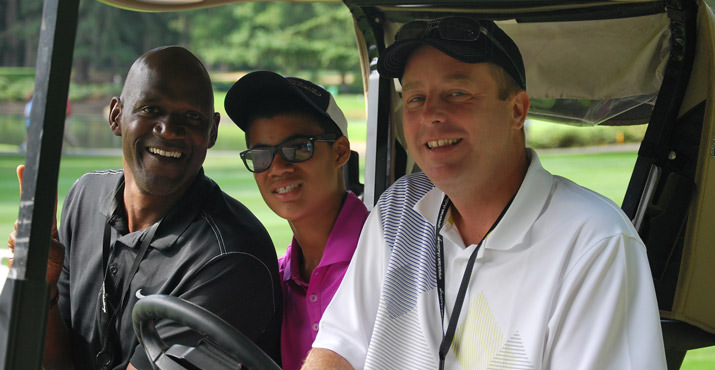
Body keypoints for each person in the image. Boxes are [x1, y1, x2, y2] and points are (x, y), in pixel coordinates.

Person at [303, 17, 666, 369]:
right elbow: (341, 344)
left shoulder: (592, 240)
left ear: (517, 110)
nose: (430, 114)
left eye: (457, 93)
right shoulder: (400, 208)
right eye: (414, 98)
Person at [8, 46, 282, 370]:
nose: (169, 129)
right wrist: (42, 285)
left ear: (212, 132)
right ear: (116, 117)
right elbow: (55, 360)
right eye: (151, 109)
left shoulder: (230, 257)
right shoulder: (84, 197)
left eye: (191, 117)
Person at [224, 71, 369, 370]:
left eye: (299, 148)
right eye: (261, 154)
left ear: (340, 151)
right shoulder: (277, 280)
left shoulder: (382, 257)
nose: (277, 167)